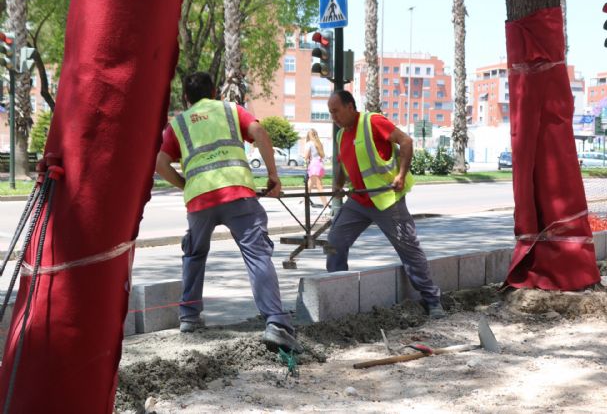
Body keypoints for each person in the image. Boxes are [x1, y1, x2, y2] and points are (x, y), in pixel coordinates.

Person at [155, 72, 303, 353]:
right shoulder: (230, 110)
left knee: (194, 254)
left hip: (199, 199)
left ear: (186, 98)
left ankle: (189, 317)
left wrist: (185, 185)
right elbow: (259, 132)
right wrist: (273, 176)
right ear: (215, 92)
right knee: (257, 254)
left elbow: (160, 163)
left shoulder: (180, 123)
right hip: (238, 194)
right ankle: (275, 323)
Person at [325, 90, 445, 319]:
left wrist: (401, 175)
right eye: (330, 113)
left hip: (387, 200)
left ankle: (432, 301)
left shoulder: (372, 122)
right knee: (334, 242)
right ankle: (336, 291)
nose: (334, 117)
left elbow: (406, 141)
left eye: (336, 111)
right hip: (358, 200)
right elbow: (342, 165)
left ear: (350, 106)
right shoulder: (341, 135)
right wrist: (338, 185)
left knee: (409, 249)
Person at [304, 129, 328, 208]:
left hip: (313, 165)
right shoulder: (319, 143)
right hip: (320, 165)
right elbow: (322, 156)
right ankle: (304, 202)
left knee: (319, 186)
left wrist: (304, 157)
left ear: (309, 135)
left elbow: (306, 156)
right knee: (309, 186)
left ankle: (325, 205)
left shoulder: (309, 143)